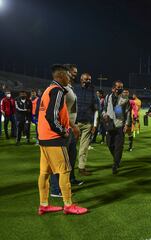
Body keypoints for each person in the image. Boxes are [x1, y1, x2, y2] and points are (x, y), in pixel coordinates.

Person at [37, 64, 87, 215]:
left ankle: (44, 204)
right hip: (54, 138)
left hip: (44, 138)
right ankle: (68, 205)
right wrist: (63, 132)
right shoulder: (57, 91)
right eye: (67, 75)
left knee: (44, 173)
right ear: (60, 76)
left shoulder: (48, 89)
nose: (70, 77)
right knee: (65, 170)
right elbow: (51, 117)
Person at [102, 81, 132, 174]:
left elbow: (128, 113)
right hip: (110, 125)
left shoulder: (125, 98)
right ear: (113, 88)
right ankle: (116, 159)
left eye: (121, 87)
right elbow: (104, 109)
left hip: (120, 125)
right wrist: (104, 115)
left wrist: (127, 124)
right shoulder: (108, 97)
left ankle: (115, 164)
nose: (120, 89)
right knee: (110, 144)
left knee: (119, 146)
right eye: (118, 87)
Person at [74, 73, 98, 176]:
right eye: (85, 79)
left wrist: (95, 124)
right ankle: (68, 167)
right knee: (71, 147)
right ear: (81, 79)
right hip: (75, 123)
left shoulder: (93, 90)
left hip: (88, 123)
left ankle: (81, 167)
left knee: (83, 148)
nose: (87, 81)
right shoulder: (75, 89)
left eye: (89, 80)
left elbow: (97, 109)